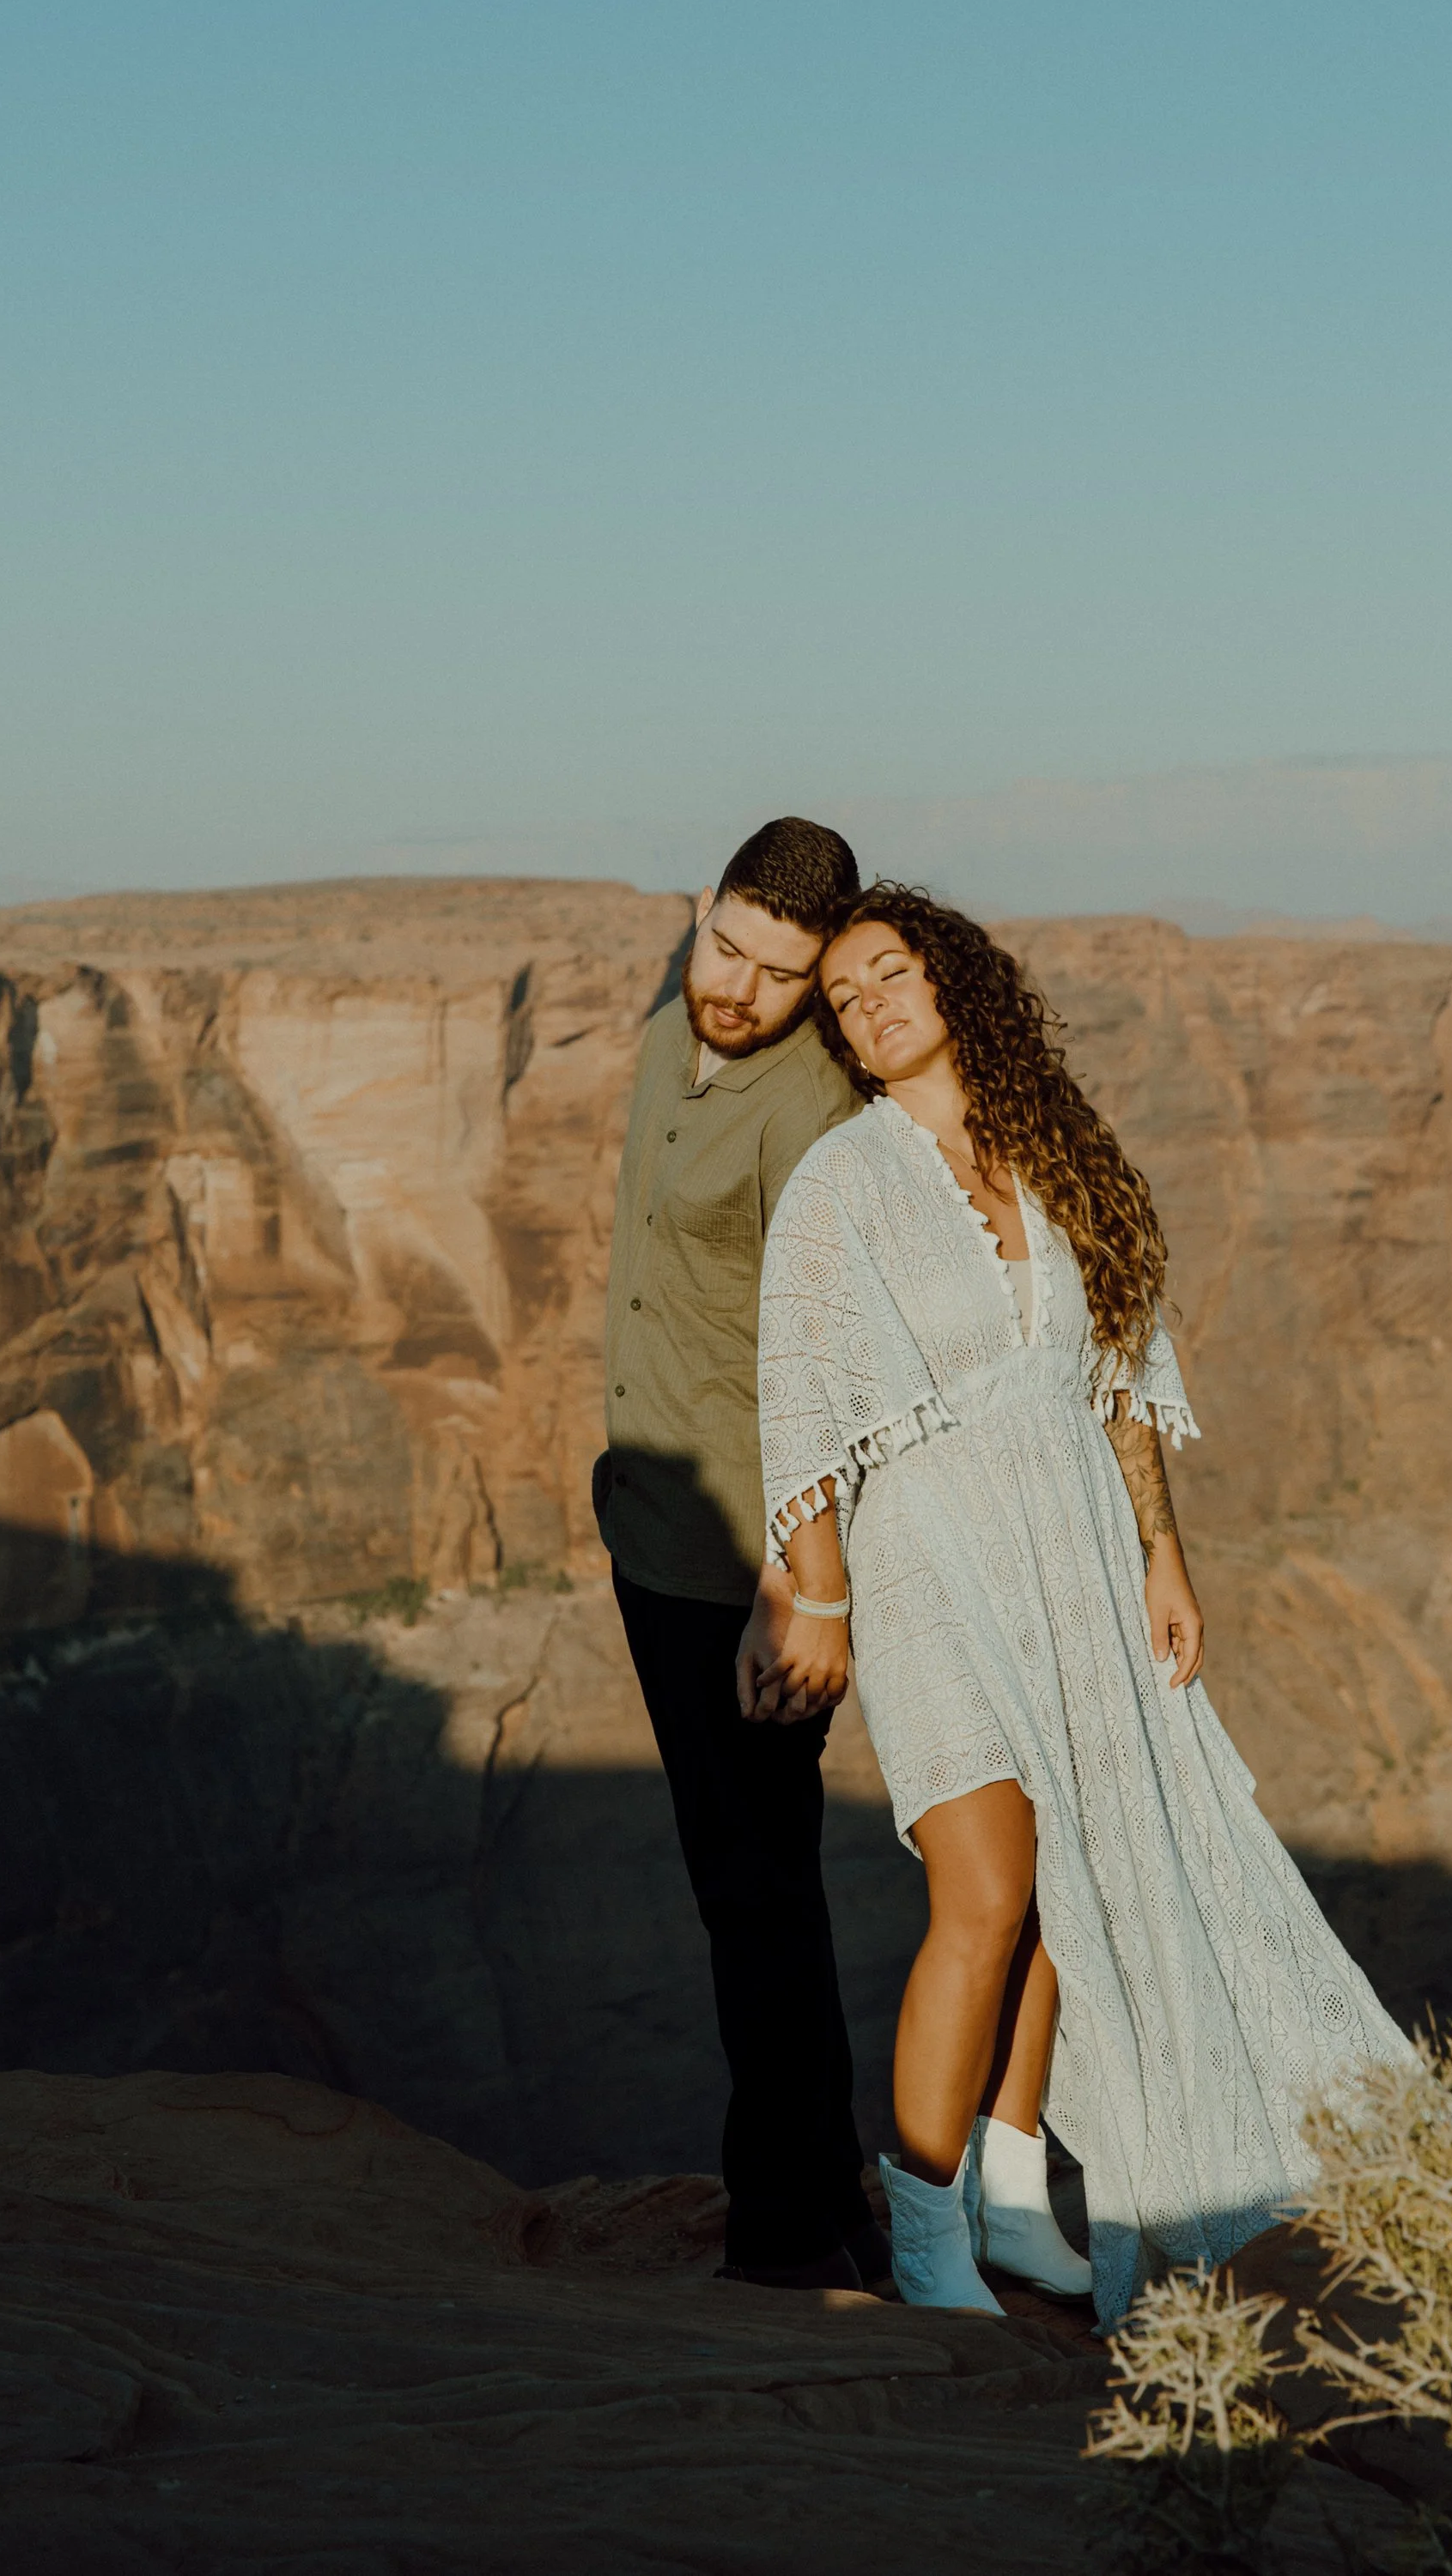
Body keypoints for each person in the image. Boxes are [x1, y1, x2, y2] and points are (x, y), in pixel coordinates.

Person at [756, 882, 1418, 2324]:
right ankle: (928, 2227)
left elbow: (1119, 1369)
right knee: (985, 1896)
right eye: (844, 996)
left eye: (889, 974)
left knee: (1081, 1886)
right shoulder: (840, 1186)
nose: (868, 1005)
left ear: (955, 981)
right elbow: (799, 1417)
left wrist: (1162, 1553)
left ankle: (1012, 2186)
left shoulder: (1054, 1155)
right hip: (936, 1560)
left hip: (1079, 1549)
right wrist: (817, 1599)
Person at [595, 815, 891, 2291]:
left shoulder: (817, 1111)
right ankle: (819, 2189)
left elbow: (834, 1355)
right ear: (697, 915)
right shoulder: (668, 1031)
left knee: (755, 1889)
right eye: (726, 949)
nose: (738, 991)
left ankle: (783, 2233)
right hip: (652, 1534)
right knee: (753, 1876)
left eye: (781, 975)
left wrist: (805, 1581)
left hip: (753, 1565)